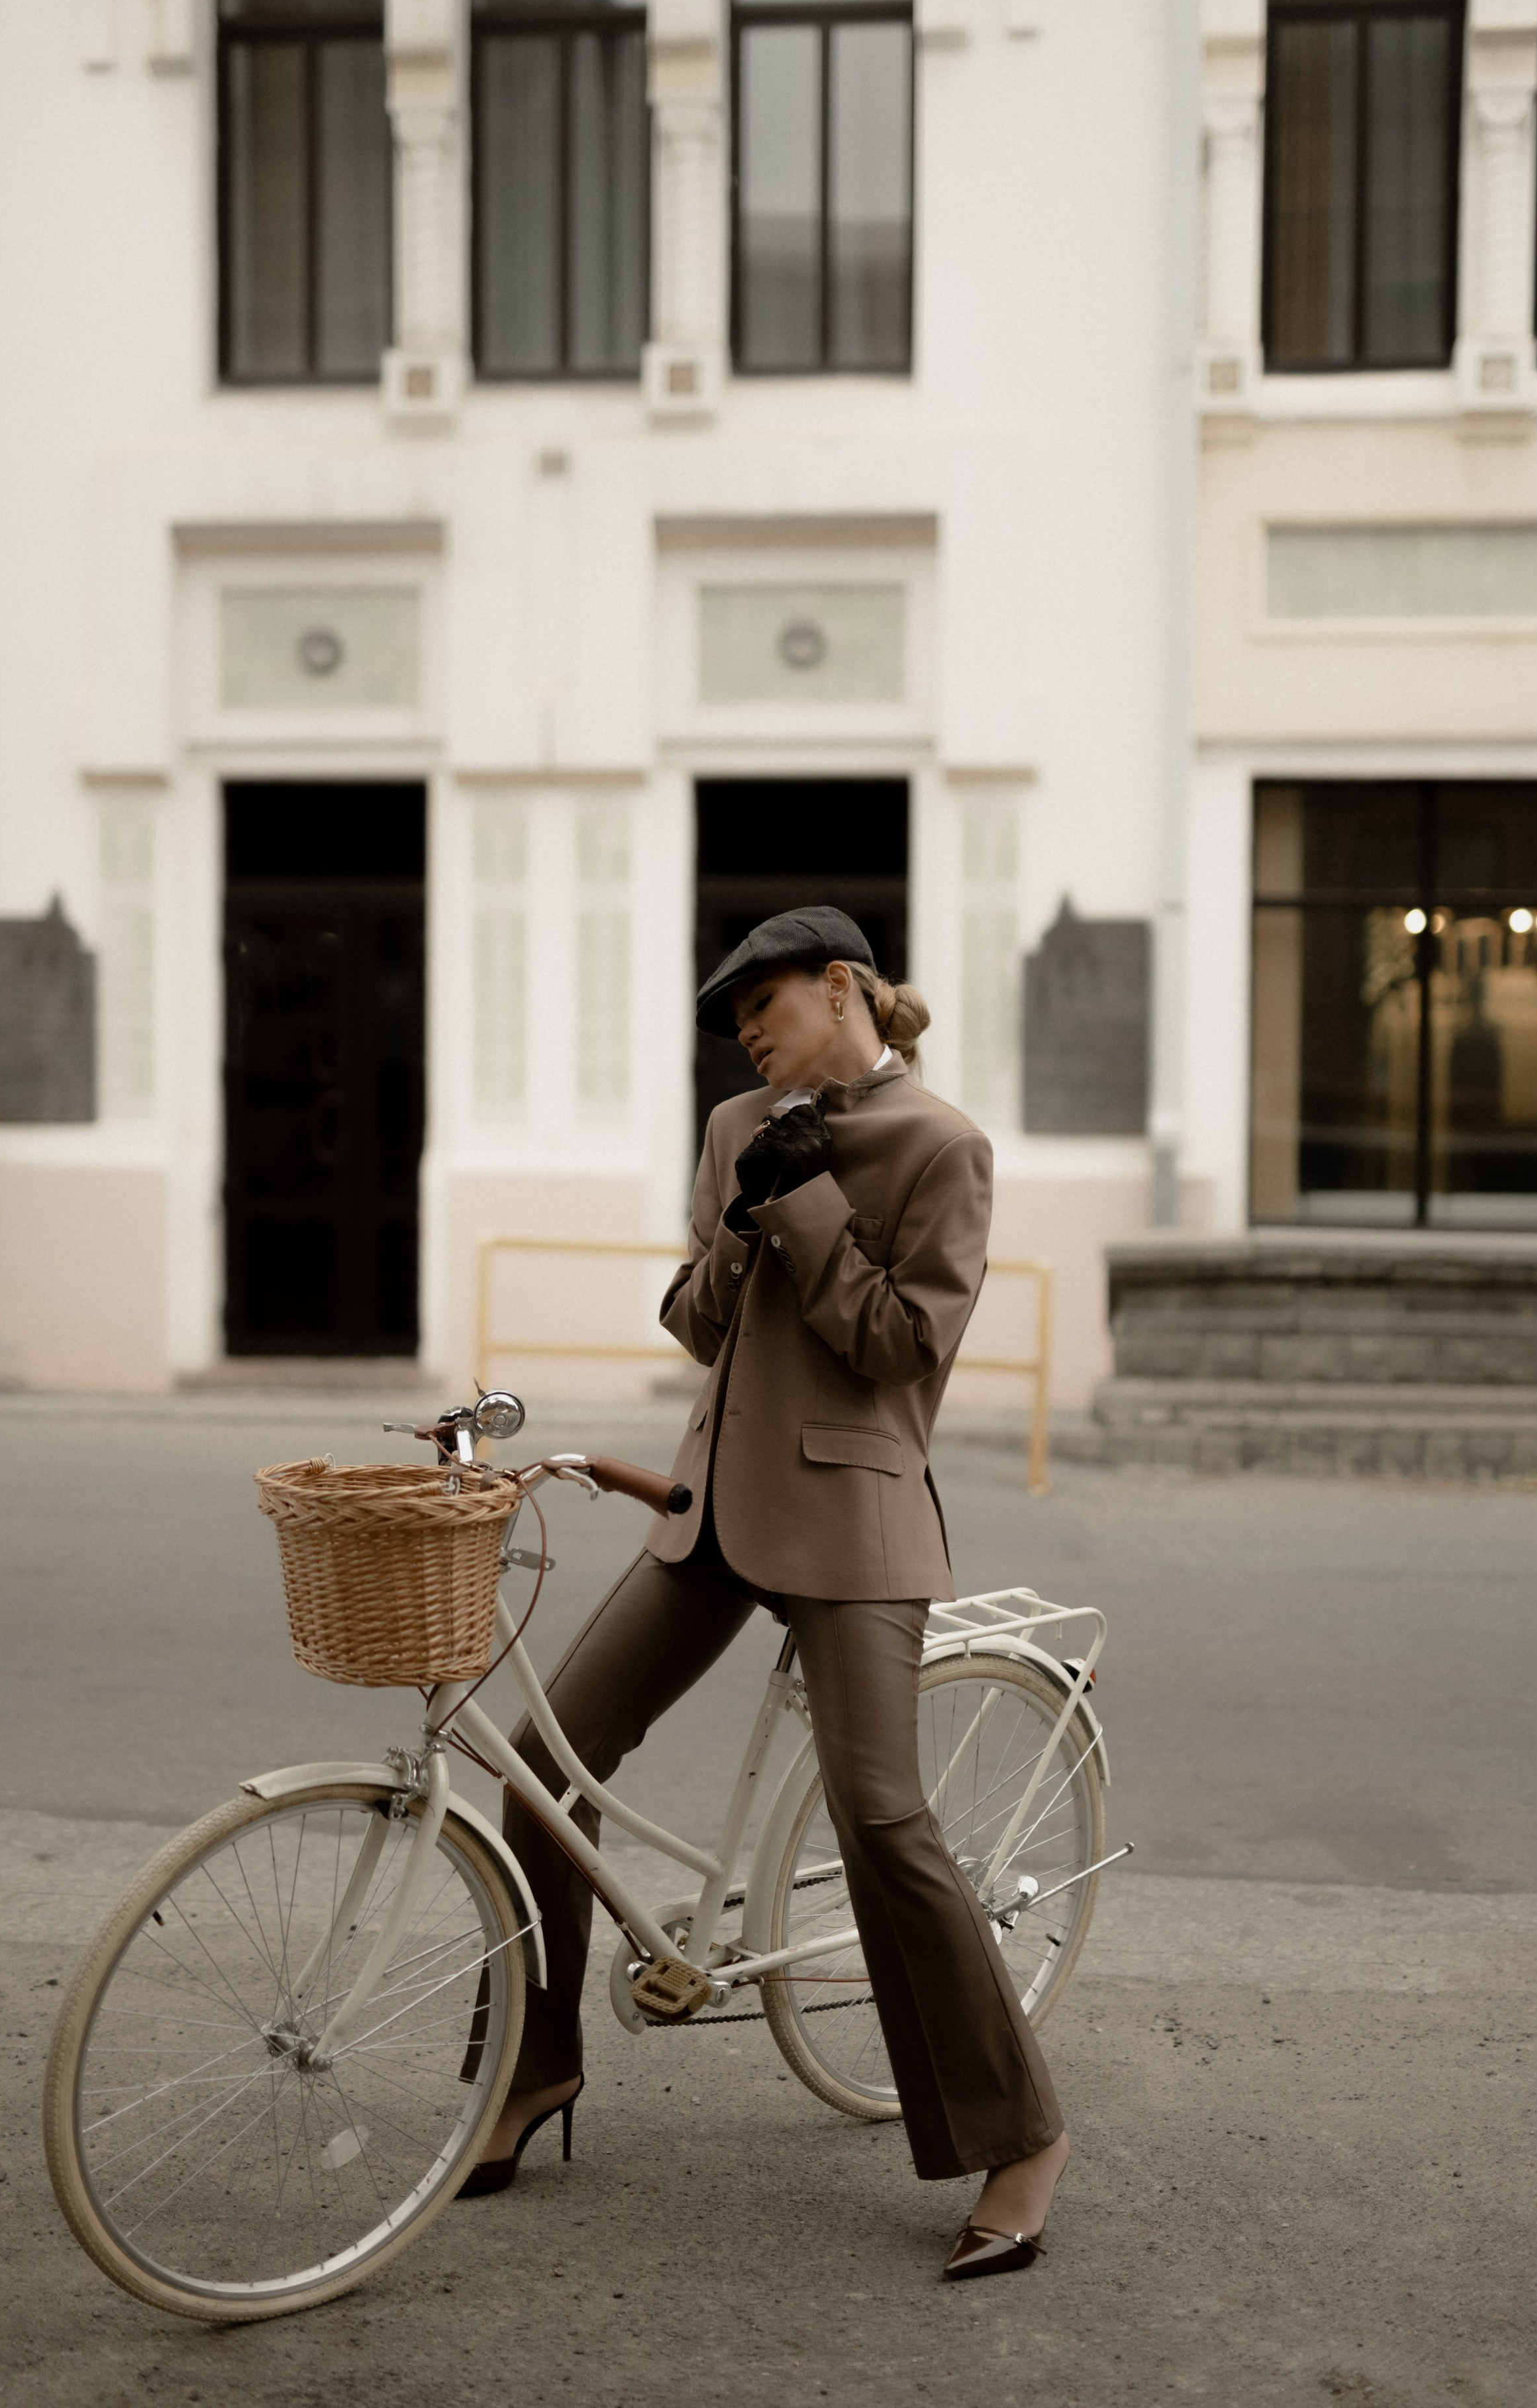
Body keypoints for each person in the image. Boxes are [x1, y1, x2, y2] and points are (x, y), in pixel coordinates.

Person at [459, 905, 1070, 2280]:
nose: (744, 1029)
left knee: (880, 1818)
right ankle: (533, 2069)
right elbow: (691, 1321)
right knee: (537, 1771)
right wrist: (745, 1219)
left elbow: (902, 1355)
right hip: (708, 1512)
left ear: (842, 987)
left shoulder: (941, 1147)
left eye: (764, 1001)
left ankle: (1018, 2135)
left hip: (854, 1518)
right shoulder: (739, 1126)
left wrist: (806, 1207)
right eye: (731, 1015)